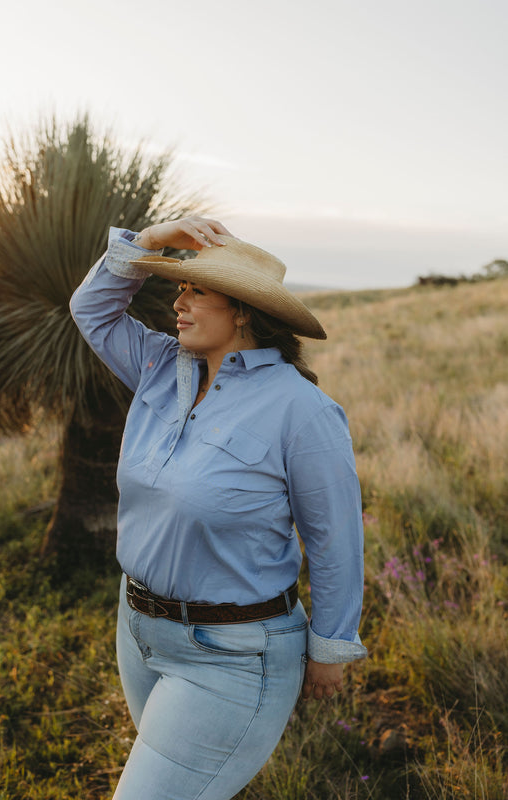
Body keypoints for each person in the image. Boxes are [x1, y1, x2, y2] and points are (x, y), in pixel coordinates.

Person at [70, 216, 367, 800]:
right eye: (179, 288)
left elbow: (333, 539)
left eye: (194, 290)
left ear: (244, 311)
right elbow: (92, 310)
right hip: (137, 631)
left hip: (234, 657)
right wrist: (150, 241)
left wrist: (330, 645)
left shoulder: (301, 412)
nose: (177, 304)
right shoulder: (159, 368)